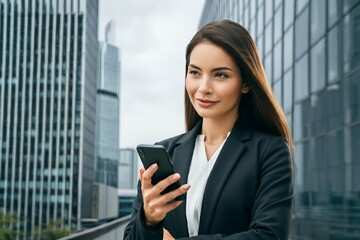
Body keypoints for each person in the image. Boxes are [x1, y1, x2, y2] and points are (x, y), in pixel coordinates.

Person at [124, 19, 294, 240]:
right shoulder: (166, 151)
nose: (203, 88)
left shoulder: (269, 151)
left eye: (220, 75)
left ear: (246, 83)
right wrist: (149, 220)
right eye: (195, 73)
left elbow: (270, 236)